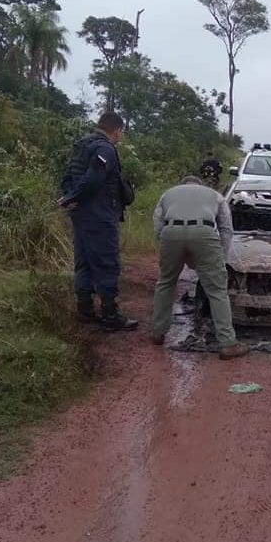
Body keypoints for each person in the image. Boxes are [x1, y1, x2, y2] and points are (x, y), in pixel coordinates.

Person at [150, 176, 249, 360]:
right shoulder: (214, 195)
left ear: (183, 184)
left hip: (171, 232)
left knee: (165, 282)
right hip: (204, 232)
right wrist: (222, 256)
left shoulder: (168, 194)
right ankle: (228, 343)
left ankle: (158, 332)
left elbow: (157, 223)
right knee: (217, 290)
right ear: (199, 185)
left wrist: (167, 244)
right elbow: (226, 228)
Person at [59, 112, 139, 331]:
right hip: (100, 216)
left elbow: (67, 176)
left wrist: (69, 198)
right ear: (117, 130)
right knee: (106, 263)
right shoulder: (105, 149)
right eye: (121, 133)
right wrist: (73, 198)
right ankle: (110, 315)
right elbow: (93, 180)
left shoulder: (81, 146)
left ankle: (84, 310)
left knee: (83, 260)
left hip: (81, 215)